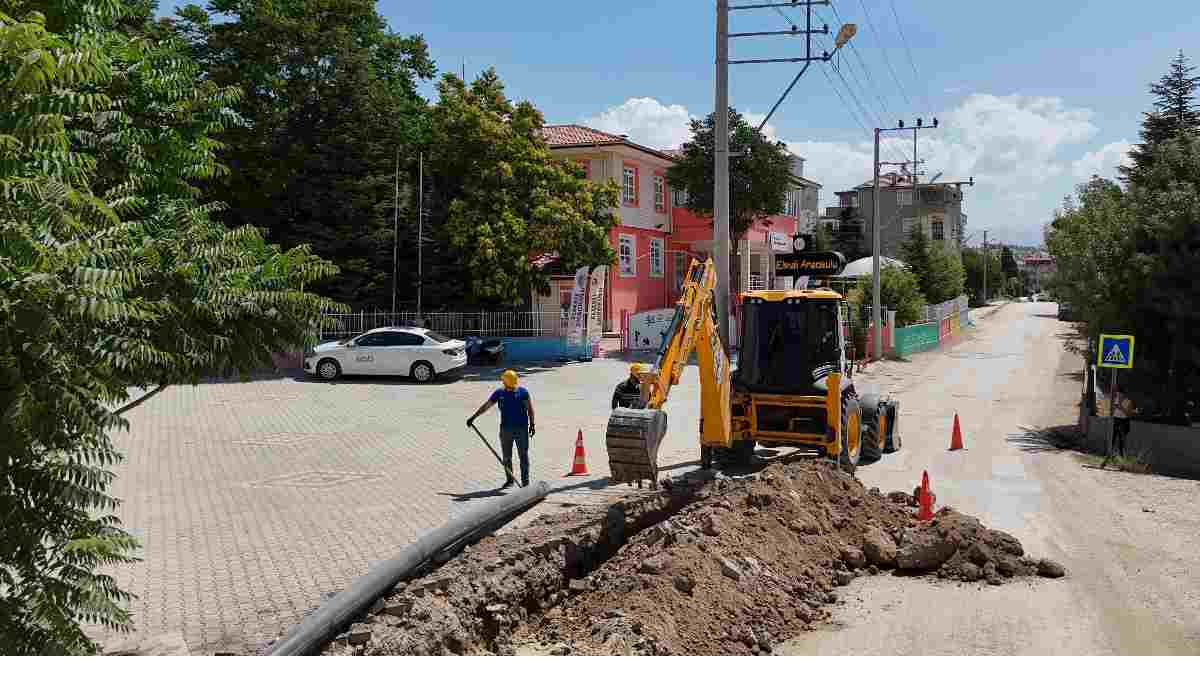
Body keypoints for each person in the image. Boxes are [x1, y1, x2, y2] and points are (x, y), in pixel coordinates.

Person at [467, 370, 536, 489]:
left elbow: (530, 409)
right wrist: (474, 417)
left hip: (521, 430)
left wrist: (532, 425)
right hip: (505, 430)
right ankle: (510, 480)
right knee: (506, 456)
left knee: (523, 456)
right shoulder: (499, 393)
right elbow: (486, 406)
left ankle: (525, 484)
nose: (510, 388)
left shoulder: (523, 392)